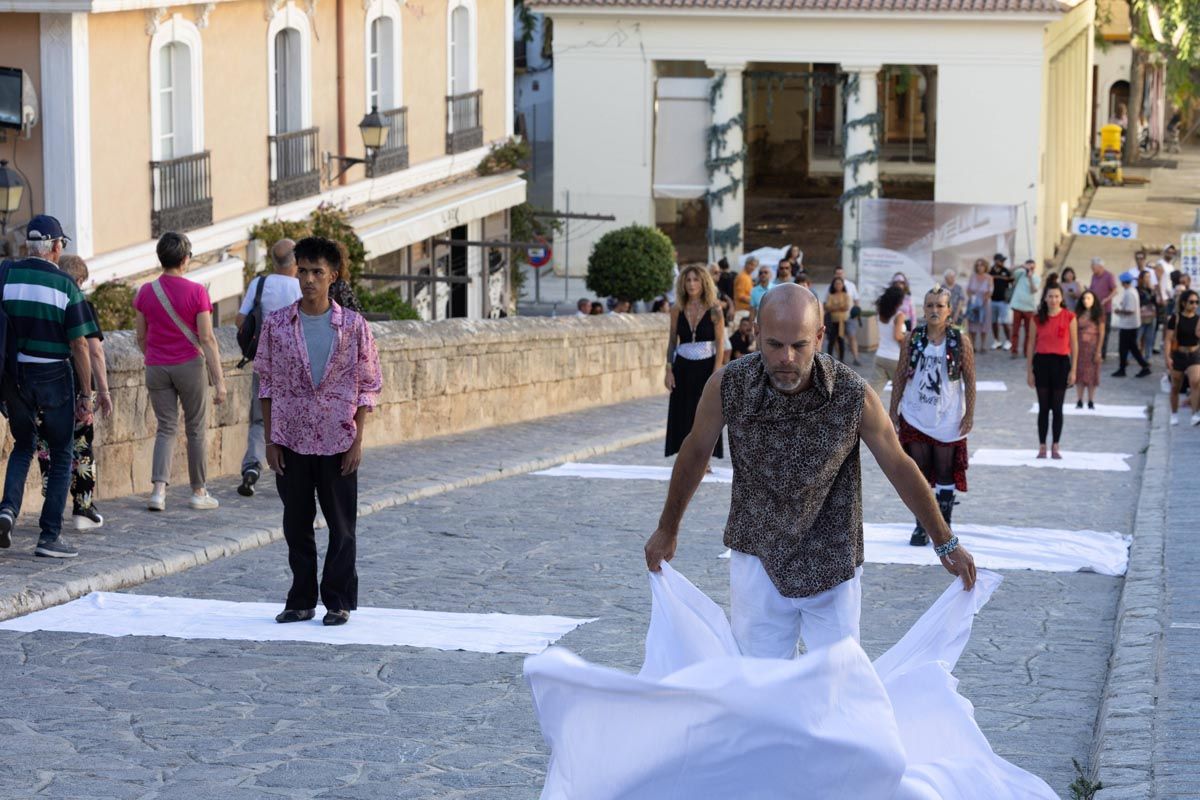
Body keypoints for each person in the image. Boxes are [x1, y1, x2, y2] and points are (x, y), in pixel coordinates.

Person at [643, 283, 976, 662]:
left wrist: (944, 541)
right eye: (774, 344)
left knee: (838, 688)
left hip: (832, 562)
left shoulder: (853, 395)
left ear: (819, 336)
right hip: (758, 556)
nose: (786, 357)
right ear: (755, 333)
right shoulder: (729, 386)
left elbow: (898, 464)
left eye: (799, 345)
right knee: (761, 684)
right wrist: (668, 527)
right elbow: (695, 451)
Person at [258, 236, 383, 627]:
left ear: (333, 276)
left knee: (342, 528)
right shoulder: (278, 325)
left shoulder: (354, 327)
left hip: (337, 438)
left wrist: (357, 440)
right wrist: (270, 439)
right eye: (303, 271)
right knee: (296, 525)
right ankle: (300, 599)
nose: (309, 279)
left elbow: (368, 385)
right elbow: (266, 383)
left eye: (317, 272)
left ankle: (338, 600)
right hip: (292, 439)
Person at [0, 216, 97, 558]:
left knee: (23, 445)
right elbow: (81, 345)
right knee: (61, 454)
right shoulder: (65, 285)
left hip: (14, 377)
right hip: (54, 375)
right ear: (56, 247)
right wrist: (86, 393)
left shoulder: (6, 274)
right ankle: (49, 536)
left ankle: (7, 511)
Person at [133, 231, 227, 512]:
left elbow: (141, 336)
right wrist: (219, 381)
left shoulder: (145, 292)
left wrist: (155, 356)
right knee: (196, 428)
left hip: (156, 367)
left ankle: (158, 492)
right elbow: (207, 339)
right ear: (185, 259)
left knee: (166, 427)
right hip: (189, 365)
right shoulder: (197, 292)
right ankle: (198, 491)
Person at [889, 286, 976, 547]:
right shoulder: (913, 337)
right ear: (923, 309)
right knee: (919, 473)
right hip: (916, 414)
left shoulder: (960, 340)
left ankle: (944, 526)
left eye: (940, 305)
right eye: (930, 305)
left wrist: (969, 413)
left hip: (948, 416)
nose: (934, 310)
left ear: (949, 310)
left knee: (945, 470)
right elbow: (901, 373)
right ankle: (921, 526)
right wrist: (893, 409)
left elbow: (970, 379)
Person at [34, 254, 112, 531]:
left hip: (41, 385)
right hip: (75, 387)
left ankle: (51, 505)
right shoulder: (80, 304)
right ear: (78, 280)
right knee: (81, 448)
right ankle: (83, 508)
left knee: (46, 448)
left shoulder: (41, 302)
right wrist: (100, 390)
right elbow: (94, 350)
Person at [234, 239, 303, 497]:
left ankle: (251, 467)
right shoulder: (300, 287)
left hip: (264, 362)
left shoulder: (259, 284)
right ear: (296, 262)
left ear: (274, 261)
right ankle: (293, 471)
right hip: (294, 364)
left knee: (259, 418)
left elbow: (241, 319)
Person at [665, 265, 725, 462]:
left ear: (704, 283)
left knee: (705, 414)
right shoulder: (677, 309)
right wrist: (668, 369)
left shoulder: (715, 309)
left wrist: (717, 372)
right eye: (688, 280)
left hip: (706, 365)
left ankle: (703, 459)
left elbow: (720, 342)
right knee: (683, 412)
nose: (691, 284)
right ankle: (684, 458)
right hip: (682, 366)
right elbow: (673, 341)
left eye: (696, 280)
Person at [1026, 285, 1078, 459]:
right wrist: (1029, 371)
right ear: (1045, 298)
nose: (1053, 299)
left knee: (1057, 408)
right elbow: (1031, 344)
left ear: (1061, 298)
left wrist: (1074, 370)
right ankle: (1042, 445)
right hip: (1042, 363)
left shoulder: (1069, 317)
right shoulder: (1036, 319)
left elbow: (1075, 345)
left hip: (1061, 363)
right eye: (1050, 296)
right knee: (1043, 408)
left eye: (1056, 296)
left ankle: (1055, 445)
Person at [1165, 289, 1200, 426]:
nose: (1195, 305)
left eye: (1197, 302)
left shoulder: (1198, 319)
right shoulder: (1176, 318)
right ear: (1184, 303)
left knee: (1196, 382)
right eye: (1192, 302)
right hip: (1178, 354)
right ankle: (1174, 414)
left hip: (1194, 354)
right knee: (1175, 386)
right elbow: (1168, 339)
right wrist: (1167, 358)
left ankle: (1195, 414)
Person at [1111, 270, 1151, 378]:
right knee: (1132, 348)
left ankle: (1124, 368)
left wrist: (1118, 311)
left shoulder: (1129, 293)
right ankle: (1142, 366)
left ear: (1123, 282)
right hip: (1131, 324)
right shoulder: (1132, 291)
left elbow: (1130, 310)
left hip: (1128, 325)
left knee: (1124, 348)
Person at [1073, 290, 1105, 410]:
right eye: (1084, 298)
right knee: (1080, 373)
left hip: (1093, 346)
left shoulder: (1098, 315)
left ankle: (1091, 400)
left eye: (1089, 298)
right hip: (1080, 346)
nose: (1086, 301)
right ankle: (1079, 399)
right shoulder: (1078, 314)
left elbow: (1102, 333)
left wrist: (1098, 350)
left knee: (1092, 374)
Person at [824, 267, 862, 365]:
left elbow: (851, 302)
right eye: (837, 273)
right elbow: (827, 305)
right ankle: (838, 359)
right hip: (834, 319)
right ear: (834, 275)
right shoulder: (830, 287)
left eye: (841, 273)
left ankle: (856, 358)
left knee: (851, 336)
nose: (839, 275)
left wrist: (856, 311)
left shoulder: (851, 285)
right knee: (836, 338)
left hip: (849, 316)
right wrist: (837, 307)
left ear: (844, 274)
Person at [874, 284, 907, 382]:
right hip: (895, 358)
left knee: (874, 393)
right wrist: (908, 336)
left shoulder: (880, 313)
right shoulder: (899, 316)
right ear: (899, 301)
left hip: (880, 356)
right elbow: (897, 336)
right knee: (901, 391)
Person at [1008, 259, 1040, 358]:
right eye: (1029, 266)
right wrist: (1021, 266)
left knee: (1028, 332)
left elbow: (1034, 290)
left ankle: (1027, 351)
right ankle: (1014, 351)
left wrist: (1030, 278)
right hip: (1017, 306)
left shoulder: (1036, 278)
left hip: (1029, 308)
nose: (1030, 269)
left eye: (1032, 267)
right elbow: (1010, 271)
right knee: (1015, 331)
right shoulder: (1020, 274)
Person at [1089, 257, 1119, 359]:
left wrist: (1106, 299)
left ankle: (1102, 353)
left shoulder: (1109, 276)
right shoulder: (1094, 276)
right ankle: (1095, 350)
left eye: (1093, 267)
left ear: (1100, 267)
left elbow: (1115, 290)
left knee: (1104, 332)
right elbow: (1092, 288)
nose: (1092, 269)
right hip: (1094, 309)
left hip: (1105, 309)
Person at [966, 258, 993, 352]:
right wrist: (972, 299)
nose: (979, 267)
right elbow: (968, 289)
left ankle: (983, 345)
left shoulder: (989, 277)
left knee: (983, 324)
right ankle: (973, 345)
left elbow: (990, 291)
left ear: (985, 266)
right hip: (973, 302)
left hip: (985, 303)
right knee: (972, 324)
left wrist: (983, 300)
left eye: (981, 265)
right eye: (977, 265)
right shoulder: (972, 276)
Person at [988, 254, 1013, 350]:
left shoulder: (1006, 271)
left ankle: (1008, 341)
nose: (1002, 262)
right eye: (1000, 260)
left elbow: (1012, 282)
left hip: (1003, 301)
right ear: (995, 261)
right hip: (993, 300)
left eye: (1003, 261)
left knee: (1005, 322)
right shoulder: (990, 271)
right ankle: (996, 340)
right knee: (994, 322)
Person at [824, 277, 852, 362]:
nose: (838, 285)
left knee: (841, 341)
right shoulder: (830, 295)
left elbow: (846, 307)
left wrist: (834, 307)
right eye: (836, 283)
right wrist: (839, 306)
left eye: (840, 283)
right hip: (832, 322)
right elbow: (828, 307)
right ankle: (829, 359)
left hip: (842, 322)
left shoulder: (846, 295)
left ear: (843, 285)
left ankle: (842, 360)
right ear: (833, 285)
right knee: (831, 341)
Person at [1136, 270, 1159, 363]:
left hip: (1152, 316)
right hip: (1141, 317)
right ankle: (1132, 355)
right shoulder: (1137, 289)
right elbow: (1140, 302)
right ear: (1141, 279)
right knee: (1137, 337)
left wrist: (1153, 291)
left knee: (1149, 338)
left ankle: (1148, 356)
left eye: (1149, 277)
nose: (1148, 279)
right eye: (1146, 277)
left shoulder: (1151, 290)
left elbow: (1156, 302)